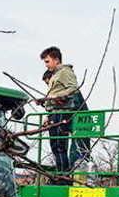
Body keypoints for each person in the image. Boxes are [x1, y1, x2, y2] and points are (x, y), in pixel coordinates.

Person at [38, 46, 90, 176]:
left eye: (47, 61)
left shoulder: (65, 71)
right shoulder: (55, 75)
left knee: (61, 145)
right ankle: (61, 173)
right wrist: (45, 102)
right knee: (56, 146)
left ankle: (65, 174)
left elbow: (73, 88)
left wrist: (55, 97)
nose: (46, 65)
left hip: (64, 112)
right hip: (55, 112)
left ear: (56, 59)